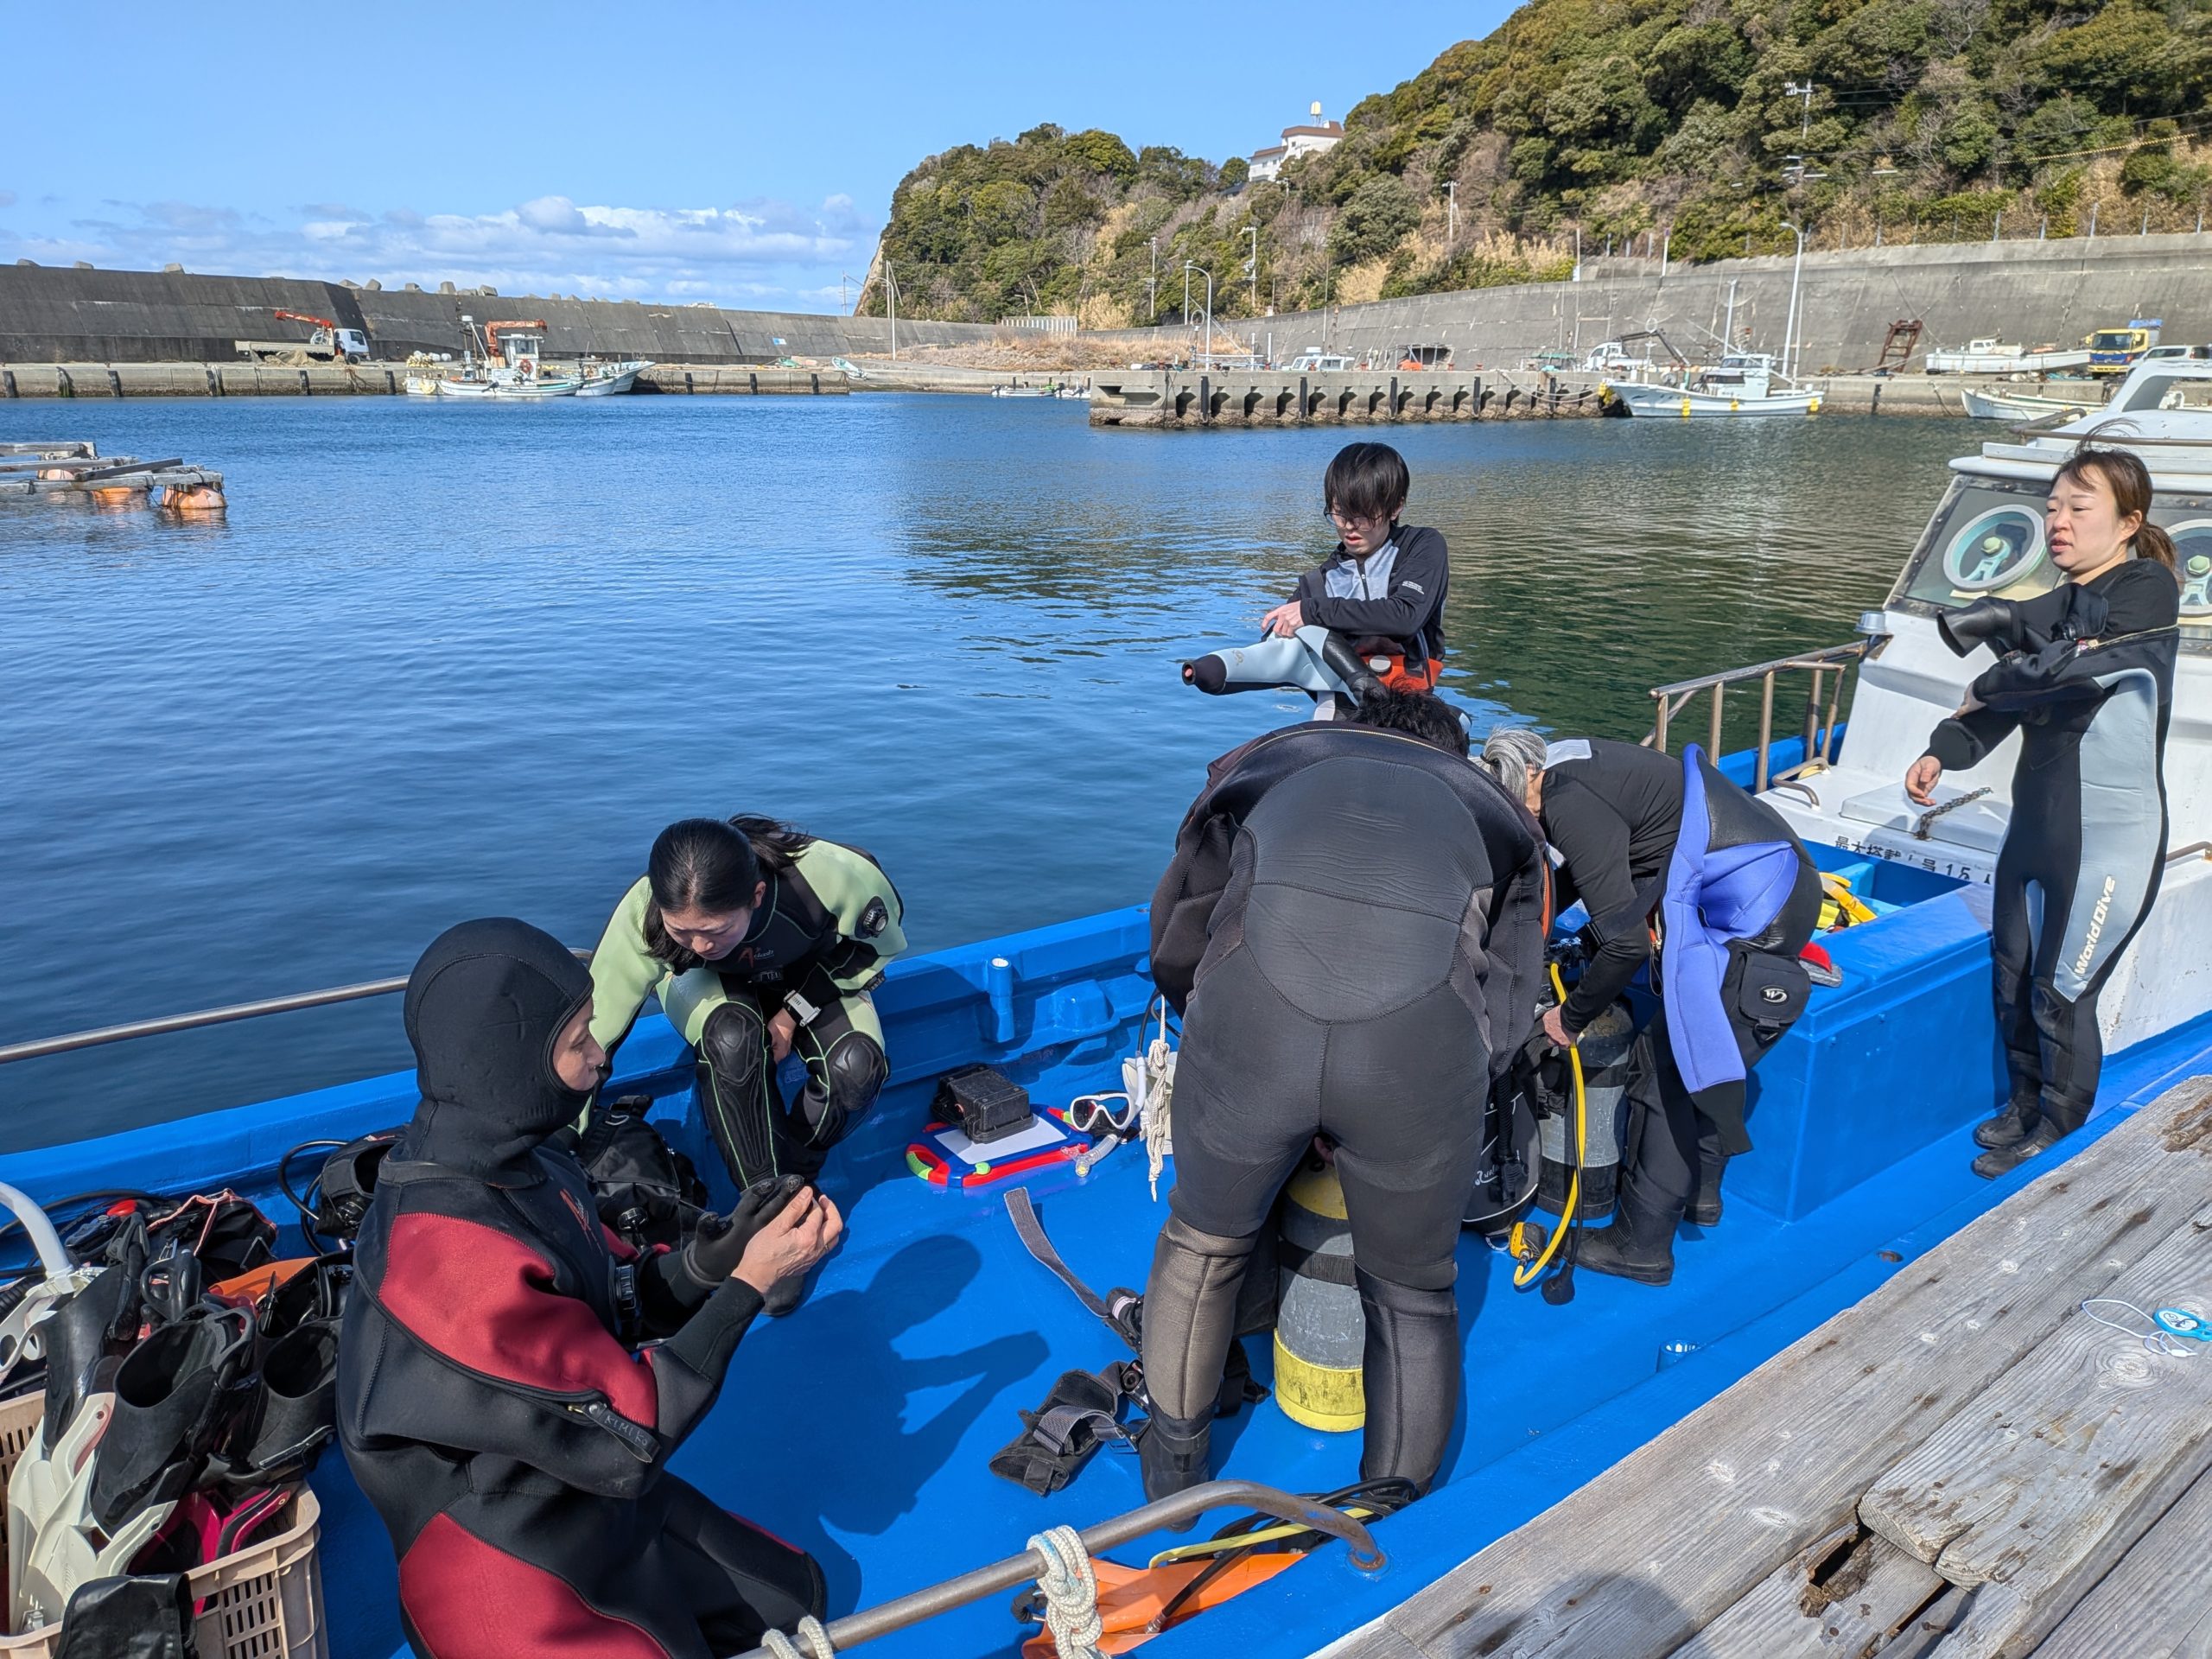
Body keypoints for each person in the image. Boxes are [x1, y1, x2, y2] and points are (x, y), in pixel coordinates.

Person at [337, 918, 842, 1659]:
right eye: (579, 1041)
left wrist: (712, 1259)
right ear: (511, 1061)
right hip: (501, 1550)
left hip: (581, 1489)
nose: (602, 1055)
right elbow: (633, 1439)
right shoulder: (446, 1261)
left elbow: (610, 1298)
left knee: (799, 1599)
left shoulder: (530, 1162)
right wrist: (748, 1286)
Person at [1140, 690, 1549, 1498]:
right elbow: (1509, 1003)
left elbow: (1179, 933)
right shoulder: (1498, 819)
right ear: (1454, 755)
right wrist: (1444, 1085)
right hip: (1419, 1052)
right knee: (1413, 1294)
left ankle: (1172, 1483)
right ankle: (1390, 1507)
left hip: (1252, 1024)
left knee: (1202, 1247)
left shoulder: (1263, 769)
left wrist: (1215, 1033)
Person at [1904, 444, 2180, 1178]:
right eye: (2052, 507)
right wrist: (1944, 750)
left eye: (2078, 508)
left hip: (2109, 844)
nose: (2058, 521)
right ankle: (2025, 1104)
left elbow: (2071, 672)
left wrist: (1994, 675)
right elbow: (2016, 691)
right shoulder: (2057, 607)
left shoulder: (2146, 590)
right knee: (2013, 976)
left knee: (2063, 994)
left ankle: (2057, 1131)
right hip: (2035, 832)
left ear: (2129, 523)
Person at [1476, 729, 1821, 1286]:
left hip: (1761, 916)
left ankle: (1640, 1248)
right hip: (1780, 886)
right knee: (1709, 1053)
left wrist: (1569, 1018)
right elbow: (1584, 875)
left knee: (1666, 1072)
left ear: (1525, 786)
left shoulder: (1568, 802)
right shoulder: (1573, 769)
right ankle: (1700, 1199)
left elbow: (1627, 946)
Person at [588, 817, 906, 1218]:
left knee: (856, 1065)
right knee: (732, 1039)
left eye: (716, 930)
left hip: (810, 973)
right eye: (681, 932)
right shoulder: (645, 908)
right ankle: (765, 1204)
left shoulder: (826, 876)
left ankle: (796, 1174)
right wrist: (560, 1135)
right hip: (701, 981)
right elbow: (593, 1032)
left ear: (757, 896)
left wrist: (791, 1014)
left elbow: (877, 947)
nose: (700, 945)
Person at [1259, 442, 1450, 692]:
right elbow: (1271, 648)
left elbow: (1405, 617)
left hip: (1413, 700)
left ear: (1396, 507)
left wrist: (1313, 611)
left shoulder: (1422, 546)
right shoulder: (1318, 582)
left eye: (1363, 515)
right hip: (1341, 701)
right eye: (1340, 513)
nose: (1349, 526)